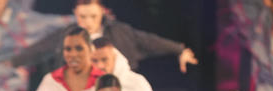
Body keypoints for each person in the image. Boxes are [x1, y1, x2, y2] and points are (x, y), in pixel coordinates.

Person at [13, 0, 199, 73]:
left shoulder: (119, 32)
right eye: (82, 17)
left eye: (92, 16)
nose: (87, 21)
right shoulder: (66, 35)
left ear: (102, 13)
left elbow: (149, 41)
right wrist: (12, 63)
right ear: (75, 14)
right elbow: (39, 49)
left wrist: (179, 49)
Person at [89, 37, 164, 91]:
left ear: (114, 58)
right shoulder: (84, 86)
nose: (100, 65)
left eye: (104, 59)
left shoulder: (138, 82)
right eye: (95, 61)